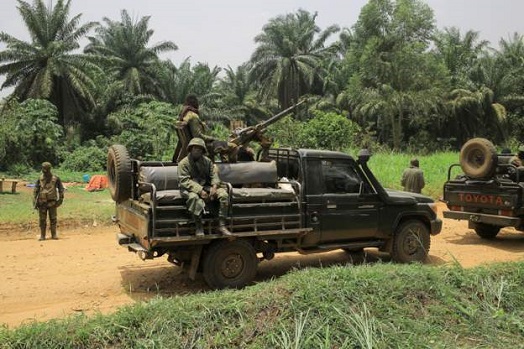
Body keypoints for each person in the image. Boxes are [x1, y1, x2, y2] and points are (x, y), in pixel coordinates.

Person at [178, 137, 233, 237]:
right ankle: (199, 226)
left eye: (199, 149)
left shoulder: (207, 161)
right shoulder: (183, 163)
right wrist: (200, 191)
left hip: (206, 186)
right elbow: (184, 180)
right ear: (190, 149)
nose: (197, 150)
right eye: (194, 148)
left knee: (224, 194)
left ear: (203, 151)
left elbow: (214, 174)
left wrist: (214, 186)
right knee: (194, 198)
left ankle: (221, 224)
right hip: (190, 188)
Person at [177, 94, 237, 162]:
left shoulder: (184, 115)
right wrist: (212, 138)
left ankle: (223, 162)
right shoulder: (193, 116)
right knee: (234, 146)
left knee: (221, 145)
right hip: (203, 145)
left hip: (198, 144)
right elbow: (198, 136)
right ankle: (234, 169)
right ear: (195, 103)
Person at [33, 162, 64, 240]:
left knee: (53, 219)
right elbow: (36, 190)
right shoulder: (40, 178)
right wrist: (34, 201)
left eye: (45, 169)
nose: (43, 170)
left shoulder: (55, 178)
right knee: (42, 220)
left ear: (49, 169)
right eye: (43, 168)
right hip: (42, 202)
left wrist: (61, 199)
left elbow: (61, 189)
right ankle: (42, 236)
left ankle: (53, 235)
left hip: (52, 202)